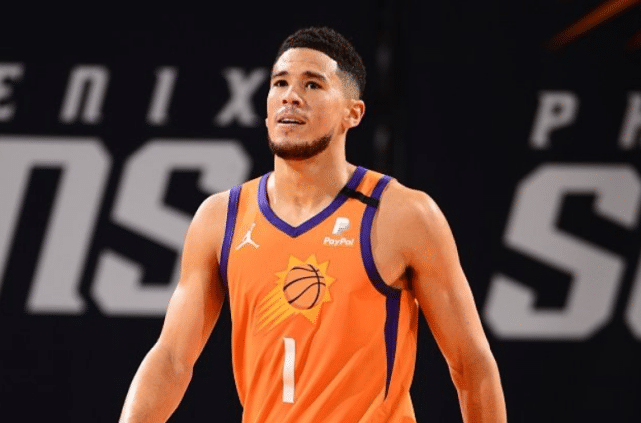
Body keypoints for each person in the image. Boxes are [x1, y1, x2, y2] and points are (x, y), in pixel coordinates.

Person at [118, 27, 507, 423]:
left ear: (352, 113)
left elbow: (470, 364)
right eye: (280, 83)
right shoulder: (222, 218)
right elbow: (172, 358)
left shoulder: (403, 215)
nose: (291, 96)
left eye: (313, 84)